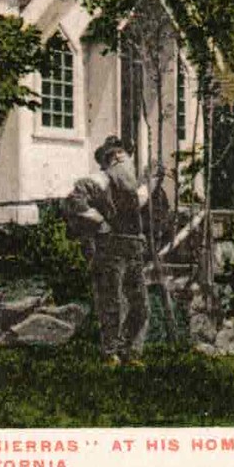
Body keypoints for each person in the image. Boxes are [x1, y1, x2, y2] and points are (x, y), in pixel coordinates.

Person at [68, 137, 159, 366]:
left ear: (128, 158)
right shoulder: (100, 180)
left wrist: (153, 174)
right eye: (112, 155)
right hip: (110, 249)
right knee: (112, 303)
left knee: (140, 305)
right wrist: (99, 221)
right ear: (105, 162)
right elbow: (74, 200)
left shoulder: (132, 185)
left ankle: (129, 351)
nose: (118, 157)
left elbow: (144, 192)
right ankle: (110, 354)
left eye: (121, 153)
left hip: (133, 250)